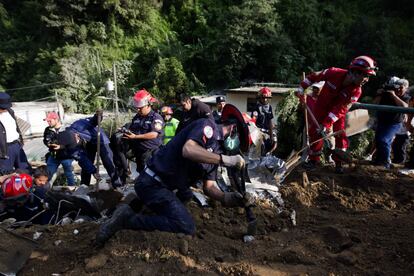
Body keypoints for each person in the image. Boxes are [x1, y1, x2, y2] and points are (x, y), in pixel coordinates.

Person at [96, 104, 250, 245]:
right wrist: (225, 160)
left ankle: (146, 208)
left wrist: (225, 197)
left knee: (186, 195)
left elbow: (209, 187)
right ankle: (128, 220)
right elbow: (188, 150)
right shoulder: (207, 127)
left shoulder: (217, 152)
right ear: (233, 130)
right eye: (240, 140)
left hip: (166, 187)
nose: (236, 149)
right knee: (186, 226)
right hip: (152, 183)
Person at [296, 56, 378, 173]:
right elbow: (314, 76)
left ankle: (339, 163)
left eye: (368, 76)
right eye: (365, 75)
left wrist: (327, 123)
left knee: (340, 134)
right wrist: (301, 88)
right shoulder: (333, 72)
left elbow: (341, 109)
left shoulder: (356, 91)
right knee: (316, 131)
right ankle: (314, 161)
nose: (367, 80)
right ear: (354, 72)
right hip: (321, 106)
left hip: (337, 113)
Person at [111, 89, 164, 182]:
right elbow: (132, 129)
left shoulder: (156, 118)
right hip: (139, 152)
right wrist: (125, 131)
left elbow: (154, 134)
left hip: (150, 152)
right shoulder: (137, 117)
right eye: (137, 108)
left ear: (148, 105)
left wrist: (135, 137)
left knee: (150, 176)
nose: (138, 110)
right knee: (141, 172)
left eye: (141, 108)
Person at [68, 111, 123, 188]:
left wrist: (97, 116)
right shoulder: (70, 146)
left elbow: (93, 121)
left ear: (76, 134)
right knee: (86, 165)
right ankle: (84, 186)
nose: (76, 142)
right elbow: (83, 160)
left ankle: (118, 185)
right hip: (89, 143)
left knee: (108, 162)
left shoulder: (78, 125)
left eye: (76, 140)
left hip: (100, 139)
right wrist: (94, 171)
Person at [373, 77, 410, 169]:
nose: (399, 89)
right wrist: (379, 94)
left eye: (401, 87)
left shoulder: (405, 96)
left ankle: (385, 163)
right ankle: (379, 161)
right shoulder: (385, 94)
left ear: (406, 88)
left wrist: (394, 96)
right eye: (398, 87)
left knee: (384, 140)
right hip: (382, 120)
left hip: (394, 123)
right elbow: (375, 104)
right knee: (378, 141)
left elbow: (405, 107)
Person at [0, 92, 31, 174]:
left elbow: (16, 127)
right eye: (2, 108)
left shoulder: (10, 111)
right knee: (6, 173)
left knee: (25, 170)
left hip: (17, 145)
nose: (4, 109)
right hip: (4, 150)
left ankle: (27, 186)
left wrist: (20, 141)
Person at [43, 111, 76, 186]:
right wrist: (48, 143)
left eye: (50, 121)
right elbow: (45, 140)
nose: (48, 123)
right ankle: (45, 190)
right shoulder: (48, 130)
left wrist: (61, 146)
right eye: (47, 121)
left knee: (69, 174)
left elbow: (72, 143)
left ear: (56, 119)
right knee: (48, 173)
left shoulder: (66, 129)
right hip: (53, 156)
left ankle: (72, 190)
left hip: (66, 156)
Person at [251, 87, 277, 155]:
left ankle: (268, 154)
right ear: (260, 98)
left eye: (267, 98)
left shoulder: (269, 107)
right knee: (261, 145)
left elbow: (270, 121)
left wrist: (271, 135)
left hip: (267, 130)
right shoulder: (256, 107)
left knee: (275, 141)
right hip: (258, 131)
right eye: (263, 98)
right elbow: (253, 122)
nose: (265, 99)